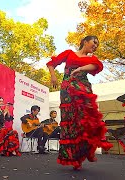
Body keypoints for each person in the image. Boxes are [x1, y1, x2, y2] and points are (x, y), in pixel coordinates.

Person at [47, 35, 112, 170]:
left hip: (83, 86)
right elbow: (51, 63)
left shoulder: (91, 58)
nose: (95, 46)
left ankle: (88, 150)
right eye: (94, 42)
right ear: (84, 41)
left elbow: (96, 65)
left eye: (97, 45)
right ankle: (74, 157)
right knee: (70, 120)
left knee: (87, 118)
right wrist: (53, 76)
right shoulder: (69, 53)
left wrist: (80, 69)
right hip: (67, 88)